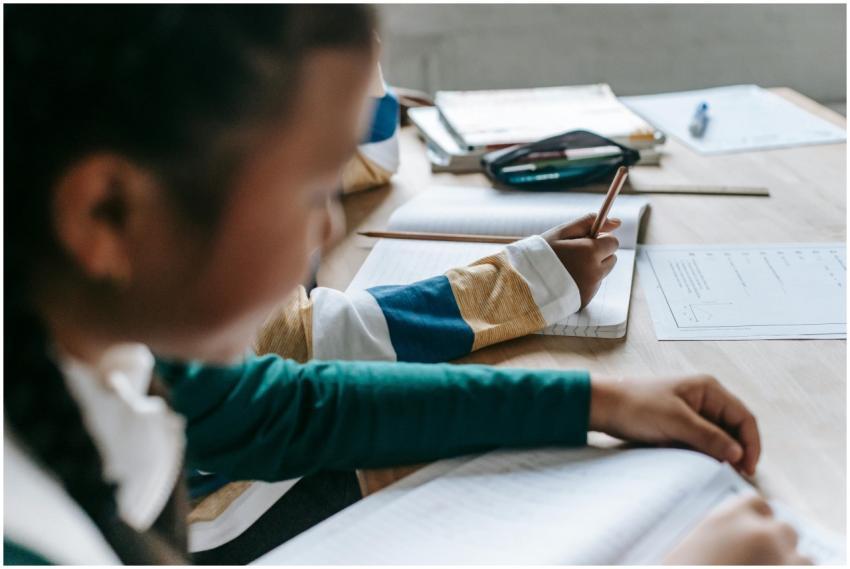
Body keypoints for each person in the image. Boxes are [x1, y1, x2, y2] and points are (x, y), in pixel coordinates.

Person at [4, 4, 808, 565]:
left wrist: (598, 401)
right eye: (307, 188)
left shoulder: (97, 347)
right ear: (106, 213)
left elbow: (276, 406)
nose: (326, 228)